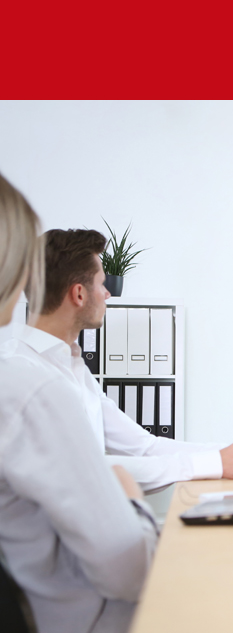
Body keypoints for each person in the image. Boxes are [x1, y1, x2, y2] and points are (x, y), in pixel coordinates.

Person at [1, 228, 233, 493]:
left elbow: (143, 447)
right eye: (102, 284)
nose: (107, 294)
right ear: (79, 293)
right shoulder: (18, 373)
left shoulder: (73, 367)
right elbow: (83, 471)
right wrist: (217, 463)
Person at [0, 172, 158, 633]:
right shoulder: (31, 387)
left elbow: (139, 445)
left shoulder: (44, 375)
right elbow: (129, 571)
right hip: (95, 619)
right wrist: (130, 497)